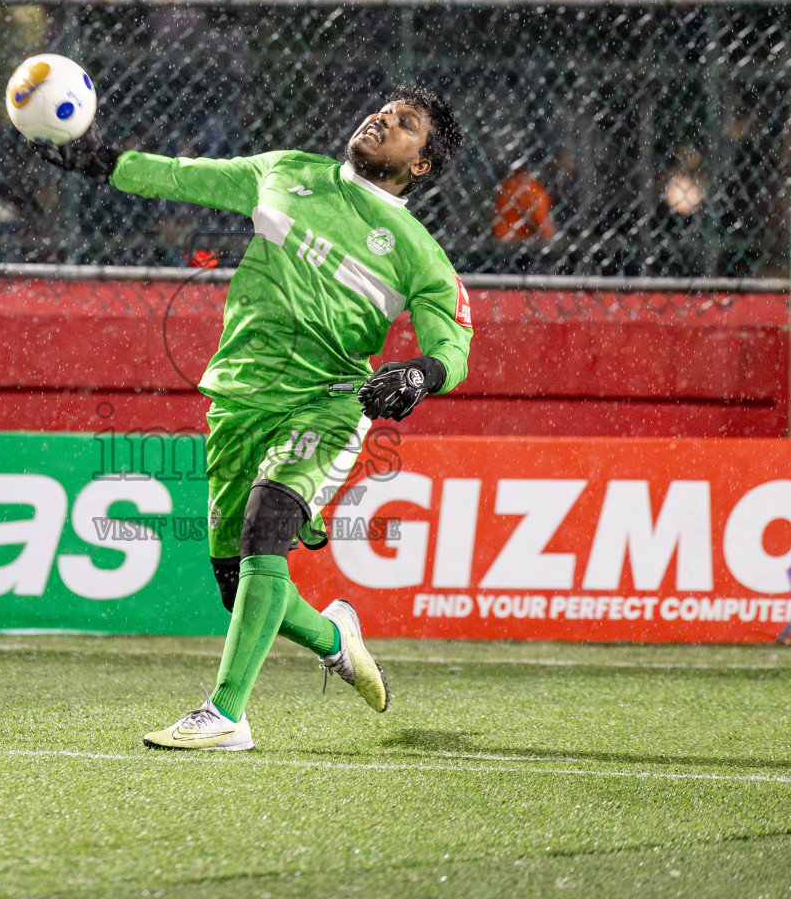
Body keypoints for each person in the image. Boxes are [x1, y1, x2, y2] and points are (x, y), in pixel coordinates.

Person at [34, 84, 473, 751]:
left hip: (327, 402)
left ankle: (226, 714)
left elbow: (454, 347)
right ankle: (335, 637)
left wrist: (419, 373)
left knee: (266, 532)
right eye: (382, 108)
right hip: (238, 397)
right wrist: (102, 161)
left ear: (421, 164)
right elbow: (184, 178)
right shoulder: (286, 171)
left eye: (406, 123)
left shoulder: (417, 252)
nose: (382, 118)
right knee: (234, 582)